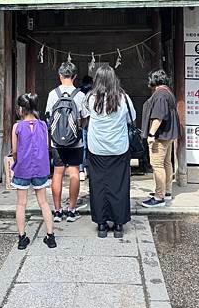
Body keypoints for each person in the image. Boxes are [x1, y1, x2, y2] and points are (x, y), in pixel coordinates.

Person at [84, 65, 136, 238]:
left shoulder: (90, 99)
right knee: (119, 186)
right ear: (114, 79)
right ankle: (119, 225)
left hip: (97, 148)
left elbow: (84, 118)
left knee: (98, 185)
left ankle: (101, 225)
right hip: (119, 148)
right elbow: (132, 118)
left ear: (97, 80)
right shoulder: (123, 98)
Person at [11, 93, 57, 250]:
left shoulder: (17, 127)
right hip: (40, 168)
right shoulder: (43, 125)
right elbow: (46, 146)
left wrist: (17, 160)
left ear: (21, 108)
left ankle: (22, 238)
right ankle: (50, 237)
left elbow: (15, 150)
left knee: (21, 204)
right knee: (43, 202)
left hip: (22, 168)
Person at [46, 61, 88, 223]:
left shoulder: (52, 94)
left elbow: (49, 117)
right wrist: (78, 129)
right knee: (74, 173)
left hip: (57, 142)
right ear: (75, 77)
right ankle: (71, 210)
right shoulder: (80, 95)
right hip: (75, 141)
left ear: (60, 76)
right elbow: (85, 117)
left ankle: (57, 211)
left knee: (57, 173)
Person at [140, 69, 180, 208]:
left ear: (154, 80)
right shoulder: (168, 92)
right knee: (166, 163)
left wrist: (151, 134)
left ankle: (159, 197)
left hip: (160, 136)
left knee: (157, 165)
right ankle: (166, 191)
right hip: (168, 135)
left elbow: (158, 117)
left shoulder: (160, 95)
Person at [79, 75, 94, 181]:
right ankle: (90, 169)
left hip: (83, 123)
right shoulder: (93, 92)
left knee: (82, 147)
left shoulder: (79, 92)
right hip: (92, 123)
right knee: (91, 147)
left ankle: (81, 170)